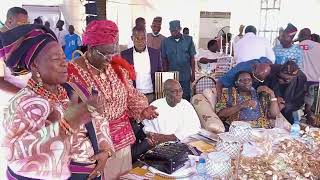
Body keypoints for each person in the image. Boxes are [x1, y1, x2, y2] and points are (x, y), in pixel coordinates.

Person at [0, 24, 104, 179]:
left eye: (63, 57)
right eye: (56, 58)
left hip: (91, 171)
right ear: (35, 65)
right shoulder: (23, 103)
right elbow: (11, 152)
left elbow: (99, 120)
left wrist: (104, 150)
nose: (64, 63)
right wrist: (61, 129)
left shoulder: (72, 89)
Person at [67, 20, 159, 180]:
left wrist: (142, 109)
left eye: (113, 53)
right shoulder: (73, 74)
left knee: (122, 176)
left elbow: (130, 94)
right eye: (105, 54)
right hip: (94, 146)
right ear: (90, 48)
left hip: (123, 140)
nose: (110, 59)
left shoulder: (117, 69)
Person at [216, 71, 280, 129]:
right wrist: (241, 105)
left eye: (249, 79)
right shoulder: (228, 94)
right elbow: (220, 114)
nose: (246, 82)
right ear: (236, 83)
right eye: (242, 80)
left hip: (261, 129)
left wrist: (272, 94)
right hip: (240, 130)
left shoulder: (260, 94)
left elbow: (274, 115)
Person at [121, 26, 162, 103]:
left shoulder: (155, 53)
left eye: (143, 38)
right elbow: (123, 76)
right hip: (134, 96)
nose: (140, 41)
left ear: (146, 38)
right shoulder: (125, 55)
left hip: (152, 95)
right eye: (137, 38)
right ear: (132, 38)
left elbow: (159, 73)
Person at [0, 7, 31, 101]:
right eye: (21, 25)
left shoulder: (16, 38)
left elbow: (16, 70)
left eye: (27, 24)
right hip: (9, 100)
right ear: (9, 22)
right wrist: (27, 95)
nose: (24, 29)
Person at [161, 20, 196, 101]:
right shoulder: (165, 42)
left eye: (175, 31)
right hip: (171, 74)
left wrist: (193, 73)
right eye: (171, 31)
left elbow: (192, 58)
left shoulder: (188, 40)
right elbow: (164, 59)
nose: (173, 33)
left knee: (185, 95)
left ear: (180, 29)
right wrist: (166, 74)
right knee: (172, 96)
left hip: (185, 74)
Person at [298, 28, 320, 125]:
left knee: (298, 104)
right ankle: (310, 121)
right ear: (310, 36)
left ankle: (297, 122)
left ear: (299, 36)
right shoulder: (318, 46)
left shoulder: (297, 46)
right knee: (311, 106)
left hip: (301, 80)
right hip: (316, 81)